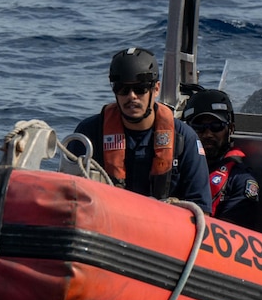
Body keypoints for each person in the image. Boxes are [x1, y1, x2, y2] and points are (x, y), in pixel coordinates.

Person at [70, 47, 209, 210]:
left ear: (156, 89)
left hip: (162, 227)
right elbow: (69, 194)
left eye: (140, 88)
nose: (132, 96)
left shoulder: (184, 139)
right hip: (106, 222)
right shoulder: (89, 133)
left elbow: (200, 208)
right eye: (123, 89)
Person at [183, 88, 262, 230]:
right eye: (199, 127)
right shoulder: (175, 168)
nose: (208, 134)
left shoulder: (240, 180)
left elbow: (231, 235)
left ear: (231, 129)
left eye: (216, 126)